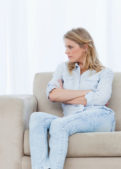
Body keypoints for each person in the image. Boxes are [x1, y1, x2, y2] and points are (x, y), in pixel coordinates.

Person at [29, 28, 115, 169]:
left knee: (58, 125)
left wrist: (64, 95)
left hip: (99, 116)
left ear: (85, 47)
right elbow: (52, 94)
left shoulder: (105, 72)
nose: (66, 52)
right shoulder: (62, 69)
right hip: (71, 118)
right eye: (65, 47)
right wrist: (87, 93)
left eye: (70, 47)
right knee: (36, 118)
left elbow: (100, 100)